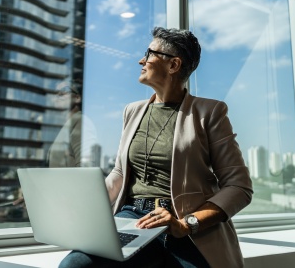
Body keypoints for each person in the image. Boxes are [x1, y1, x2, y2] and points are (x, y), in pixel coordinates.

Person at [59, 27, 253, 268]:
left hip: (185, 224)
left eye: (149, 53)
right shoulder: (132, 111)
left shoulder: (210, 112)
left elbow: (239, 186)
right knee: (75, 265)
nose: (142, 60)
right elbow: (119, 174)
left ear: (173, 65)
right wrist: (85, 206)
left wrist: (186, 224)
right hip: (134, 218)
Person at [48, 80, 98, 167]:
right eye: (55, 93)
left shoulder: (81, 121)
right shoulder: (68, 125)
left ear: (77, 98)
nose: (58, 95)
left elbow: (86, 167)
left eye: (64, 90)